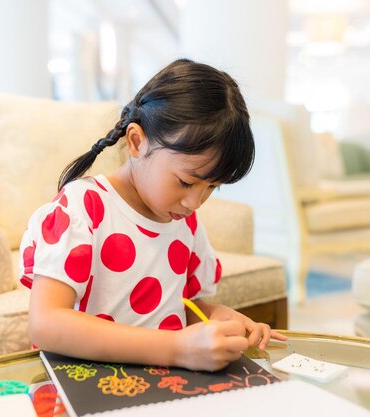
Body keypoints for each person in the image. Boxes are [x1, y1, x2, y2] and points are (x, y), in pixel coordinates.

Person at [20, 58, 287, 372]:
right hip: (90, 382)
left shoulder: (182, 220)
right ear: (136, 141)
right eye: (186, 181)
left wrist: (211, 315)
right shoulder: (83, 208)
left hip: (167, 381)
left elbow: (170, 306)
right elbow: (46, 323)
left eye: (212, 186)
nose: (195, 202)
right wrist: (177, 349)